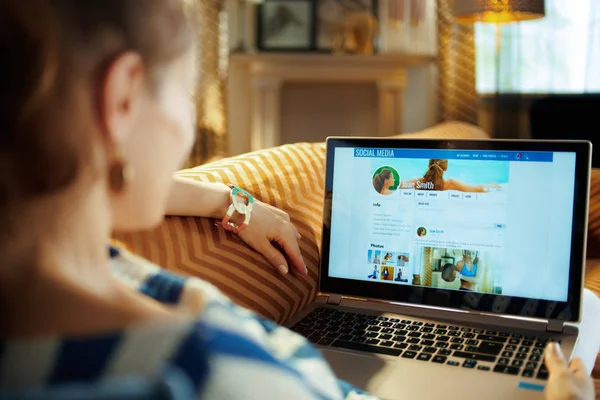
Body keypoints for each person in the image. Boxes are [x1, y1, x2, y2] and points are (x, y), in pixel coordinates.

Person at [0, 1, 594, 399]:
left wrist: (229, 203)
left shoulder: (73, 259)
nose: (186, 127)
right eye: (184, 92)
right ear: (123, 99)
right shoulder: (211, 377)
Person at [403, 159, 501, 192]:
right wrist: (493, 185)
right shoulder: (451, 184)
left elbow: (399, 185)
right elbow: (477, 189)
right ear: (446, 168)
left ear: (429, 166)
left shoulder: (419, 182)